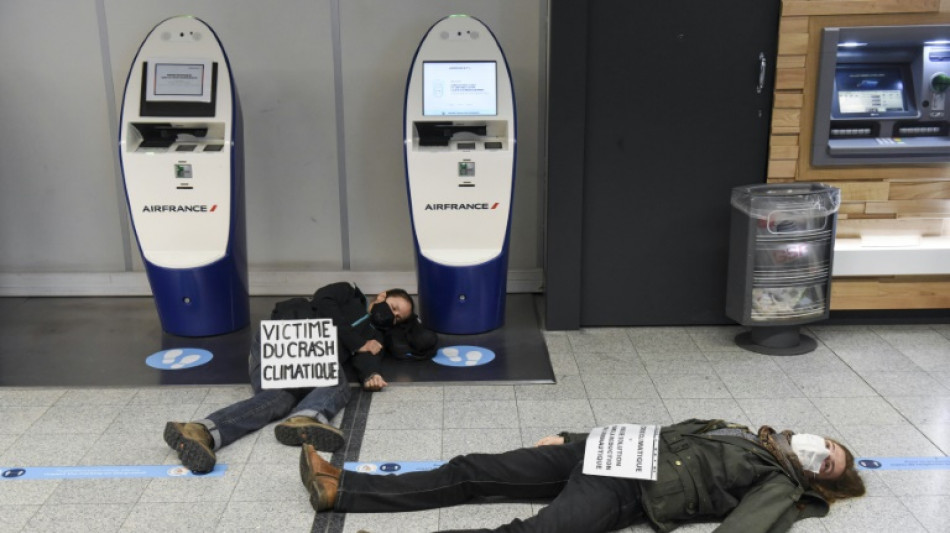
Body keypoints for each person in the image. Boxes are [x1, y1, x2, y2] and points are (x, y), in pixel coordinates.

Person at [299, 418, 866, 533]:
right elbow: (659, 429)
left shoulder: (784, 484)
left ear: (822, 481)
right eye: (830, 446)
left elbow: (747, 527)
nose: (821, 451)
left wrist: (797, 498)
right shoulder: (741, 430)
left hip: (632, 489)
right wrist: (574, 440)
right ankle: (339, 487)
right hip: (603, 453)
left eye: (829, 464)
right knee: (473, 471)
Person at [164, 282, 414, 473]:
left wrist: (372, 373)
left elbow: (367, 358)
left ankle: (202, 430)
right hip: (280, 342)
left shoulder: (376, 335)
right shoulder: (348, 292)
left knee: (282, 397)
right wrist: (357, 342)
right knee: (320, 385)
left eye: (397, 317)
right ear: (381, 296)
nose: (391, 316)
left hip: (312, 367)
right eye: (393, 307)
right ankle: (307, 416)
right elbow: (323, 302)